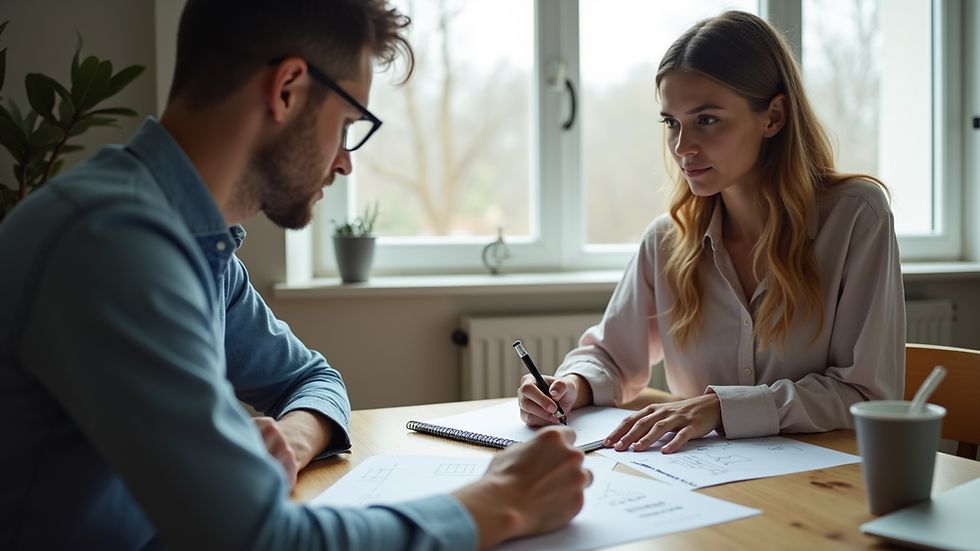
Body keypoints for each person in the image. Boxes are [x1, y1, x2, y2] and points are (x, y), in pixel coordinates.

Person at [0, 1, 591, 550]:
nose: (344, 159)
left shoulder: (194, 248)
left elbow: (311, 378)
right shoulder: (111, 246)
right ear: (286, 88)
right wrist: (498, 502)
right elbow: (261, 542)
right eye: (348, 123)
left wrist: (291, 439)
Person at [519, 10, 905, 455]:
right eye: (672, 122)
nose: (683, 147)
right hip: (702, 489)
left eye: (706, 119)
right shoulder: (667, 241)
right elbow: (609, 357)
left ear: (774, 116)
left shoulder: (857, 218)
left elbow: (866, 394)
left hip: (826, 487)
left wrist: (720, 408)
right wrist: (570, 384)